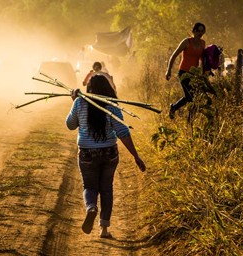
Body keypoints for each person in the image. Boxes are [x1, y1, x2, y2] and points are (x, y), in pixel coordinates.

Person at [66, 75, 146, 238]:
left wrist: (74, 101)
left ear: (89, 89)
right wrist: (136, 156)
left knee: (89, 186)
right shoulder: (112, 105)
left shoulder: (80, 103)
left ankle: (91, 208)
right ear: (108, 88)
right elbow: (122, 132)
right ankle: (104, 229)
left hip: (87, 153)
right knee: (106, 188)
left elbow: (70, 125)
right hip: (109, 153)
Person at [165, 22, 206, 119]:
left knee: (194, 97)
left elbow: (202, 60)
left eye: (202, 31)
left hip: (194, 74)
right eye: (198, 31)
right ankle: (176, 109)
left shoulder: (202, 43)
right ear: (194, 31)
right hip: (183, 72)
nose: (200, 33)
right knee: (190, 97)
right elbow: (174, 56)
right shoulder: (187, 42)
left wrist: (205, 72)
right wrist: (169, 70)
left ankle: (188, 118)